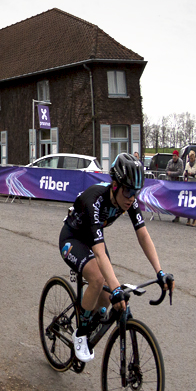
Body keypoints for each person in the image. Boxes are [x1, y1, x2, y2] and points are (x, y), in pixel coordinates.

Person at [58, 153, 168, 361]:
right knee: (99, 279)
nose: (131, 198)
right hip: (72, 239)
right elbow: (99, 252)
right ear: (115, 185)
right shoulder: (95, 200)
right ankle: (80, 333)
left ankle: (92, 317)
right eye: (127, 191)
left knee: (109, 296)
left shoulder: (129, 200)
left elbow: (143, 235)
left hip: (93, 240)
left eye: (136, 192)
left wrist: (159, 271)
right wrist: (116, 287)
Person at [182, 149, 196, 226]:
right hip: (189, 184)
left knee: (195, 202)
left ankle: (194, 220)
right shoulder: (187, 164)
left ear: (194, 157)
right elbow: (184, 172)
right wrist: (186, 174)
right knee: (188, 202)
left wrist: (193, 175)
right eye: (190, 158)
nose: (191, 159)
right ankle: (188, 219)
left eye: (192, 158)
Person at [164, 149, 182, 222]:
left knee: (177, 200)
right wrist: (169, 173)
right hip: (170, 183)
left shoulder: (180, 162)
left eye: (175, 156)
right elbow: (166, 170)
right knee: (171, 199)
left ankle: (178, 215)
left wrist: (171, 173)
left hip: (178, 183)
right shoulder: (170, 162)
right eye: (173, 155)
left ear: (177, 156)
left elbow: (180, 172)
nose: (174, 157)